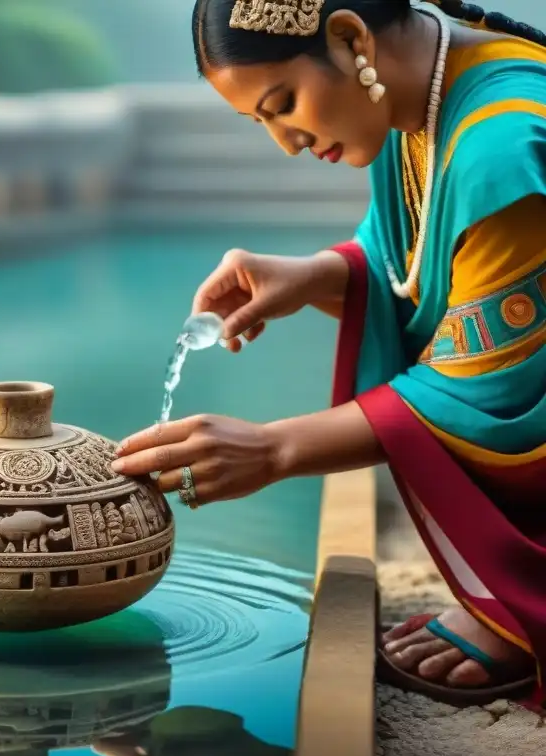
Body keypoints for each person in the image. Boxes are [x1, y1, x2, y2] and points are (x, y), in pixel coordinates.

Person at [109, 0, 546, 708]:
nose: (287, 142)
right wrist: (317, 275)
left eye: (284, 104)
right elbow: (432, 276)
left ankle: (527, 607)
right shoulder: (427, 96)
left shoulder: (500, 144)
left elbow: (494, 385)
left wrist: (274, 449)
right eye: (262, 122)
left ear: (350, 37)